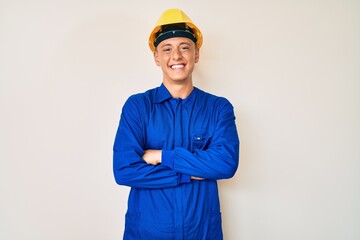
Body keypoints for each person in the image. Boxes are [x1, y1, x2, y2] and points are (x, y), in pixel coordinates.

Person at [113, 8, 240, 240]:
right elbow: (124, 170)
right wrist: (188, 173)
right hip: (147, 233)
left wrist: (162, 156)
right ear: (156, 57)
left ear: (196, 54)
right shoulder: (138, 107)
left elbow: (225, 164)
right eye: (167, 49)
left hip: (201, 232)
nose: (176, 56)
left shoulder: (218, 108)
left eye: (184, 47)